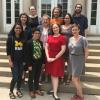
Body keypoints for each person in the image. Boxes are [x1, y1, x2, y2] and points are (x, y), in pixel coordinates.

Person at [45, 24, 66, 100]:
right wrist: (47, 57)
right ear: (52, 29)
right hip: (49, 58)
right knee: (52, 74)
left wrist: (54, 58)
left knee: (55, 75)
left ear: (59, 28)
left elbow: (63, 50)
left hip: (58, 58)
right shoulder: (49, 37)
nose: (55, 29)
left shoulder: (62, 37)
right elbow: (46, 48)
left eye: (56, 27)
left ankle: (55, 94)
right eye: (53, 28)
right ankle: (53, 89)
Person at [68, 24, 89, 100]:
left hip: (79, 59)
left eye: (76, 29)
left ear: (79, 30)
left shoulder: (83, 39)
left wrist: (83, 61)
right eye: (73, 30)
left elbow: (87, 51)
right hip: (72, 59)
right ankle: (77, 94)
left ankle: (81, 96)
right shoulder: (70, 39)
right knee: (77, 79)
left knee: (74, 79)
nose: (74, 31)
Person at [6, 23, 25, 99]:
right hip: (14, 61)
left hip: (21, 61)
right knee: (15, 77)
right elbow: (8, 51)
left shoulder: (23, 38)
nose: (18, 29)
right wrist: (10, 61)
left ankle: (18, 90)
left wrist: (24, 61)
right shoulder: (10, 38)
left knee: (20, 77)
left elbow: (24, 50)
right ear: (14, 29)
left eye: (19, 28)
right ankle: (11, 91)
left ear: (21, 30)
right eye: (16, 28)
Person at [26, 29, 44, 98]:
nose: (37, 34)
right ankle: (31, 90)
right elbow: (27, 55)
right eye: (36, 33)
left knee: (37, 77)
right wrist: (29, 65)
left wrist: (43, 62)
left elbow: (42, 53)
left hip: (39, 62)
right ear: (32, 34)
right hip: (32, 63)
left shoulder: (40, 42)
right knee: (31, 77)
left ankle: (36, 89)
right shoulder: (29, 42)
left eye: (39, 33)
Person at [17, 13, 32, 82]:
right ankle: (19, 77)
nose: (23, 18)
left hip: (26, 48)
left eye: (25, 17)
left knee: (25, 62)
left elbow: (30, 38)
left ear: (27, 19)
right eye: (22, 17)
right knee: (19, 62)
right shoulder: (17, 26)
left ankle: (23, 77)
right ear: (20, 18)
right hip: (18, 47)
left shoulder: (29, 27)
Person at [37, 14, 51, 83]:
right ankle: (40, 76)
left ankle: (46, 76)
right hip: (40, 48)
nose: (45, 21)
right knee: (40, 63)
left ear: (49, 21)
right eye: (44, 19)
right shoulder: (39, 27)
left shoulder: (51, 28)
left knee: (47, 63)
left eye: (47, 20)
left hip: (48, 49)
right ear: (42, 20)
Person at [61, 13, 73, 84]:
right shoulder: (61, 26)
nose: (66, 19)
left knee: (69, 64)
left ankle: (68, 78)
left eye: (68, 18)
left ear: (70, 19)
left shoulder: (72, 26)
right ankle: (62, 77)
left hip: (70, 48)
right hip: (61, 48)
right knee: (61, 64)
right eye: (65, 18)